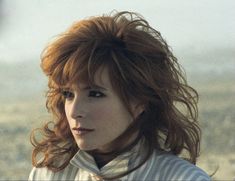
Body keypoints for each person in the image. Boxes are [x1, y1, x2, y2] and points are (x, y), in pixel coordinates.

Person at [28, 11, 211, 180]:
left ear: (140, 101)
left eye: (95, 94)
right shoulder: (49, 174)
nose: (75, 111)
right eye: (68, 94)